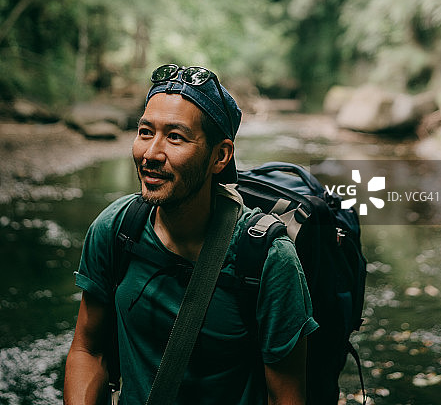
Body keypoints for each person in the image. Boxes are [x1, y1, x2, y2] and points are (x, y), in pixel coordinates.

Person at [64, 64, 318, 405]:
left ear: (220, 156)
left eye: (175, 137)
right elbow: (88, 350)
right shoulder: (117, 228)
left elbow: (286, 396)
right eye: (145, 132)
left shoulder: (267, 260)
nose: (151, 153)